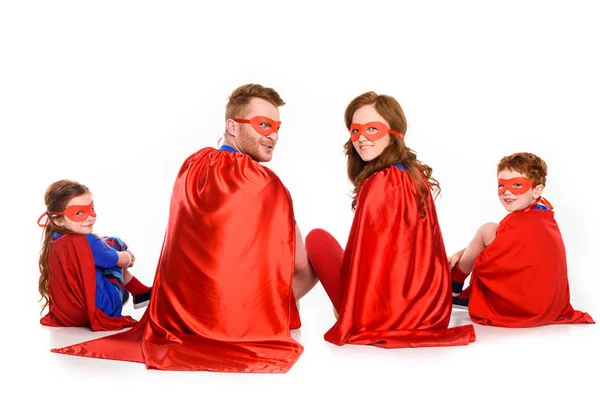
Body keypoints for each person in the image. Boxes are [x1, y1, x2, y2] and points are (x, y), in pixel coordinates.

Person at [51, 84, 318, 373]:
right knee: (311, 256)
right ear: (232, 125)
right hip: (236, 322)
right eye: (263, 125)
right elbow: (299, 264)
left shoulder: (193, 165)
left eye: (277, 127)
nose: (274, 135)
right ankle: (273, 319)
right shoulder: (263, 182)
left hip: (178, 318)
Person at [305, 91, 475, 348]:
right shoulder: (415, 176)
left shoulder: (379, 182)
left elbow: (364, 259)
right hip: (430, 310)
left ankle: (281, 310)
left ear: (394, 132)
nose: (361, 138)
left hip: (381, 315)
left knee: (316, 238)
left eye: (372, 129)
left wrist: (354, 311)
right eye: (355, 130)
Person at [449, 152, 594, 327]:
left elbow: (489, 247)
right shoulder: (545, 217)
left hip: (517, 306)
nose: (507, 192)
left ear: (536, 190)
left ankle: (454, 283)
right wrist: (459, 254)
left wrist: (461, 257)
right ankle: (458, 281)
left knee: (487, 228)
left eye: (517, 185)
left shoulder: (516, 222)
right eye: (501, 185)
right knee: (489, 231)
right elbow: (493, 245)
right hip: (546, 307)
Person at [38, 179, 152, 331]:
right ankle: (140, 292)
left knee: (105, 245)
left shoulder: (53, 241)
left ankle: (140, 292)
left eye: (91, 209)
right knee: (114, 243)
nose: (90, 217)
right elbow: (122, 260)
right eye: (79, 212)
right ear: (58, 219)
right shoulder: (89, 242)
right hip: (98, 311)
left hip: (67, 315)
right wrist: (128, 255)